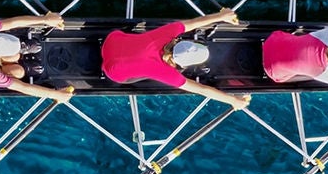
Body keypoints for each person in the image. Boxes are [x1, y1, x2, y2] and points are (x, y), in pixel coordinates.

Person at [100, 8, 250, 109]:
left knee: (140, 44)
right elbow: (202, 89)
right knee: (147, 75)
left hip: (111, 40)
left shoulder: (169, 33)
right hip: (112, 72)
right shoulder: (167, 73)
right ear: (181, 64)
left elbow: (193, 23)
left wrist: (221, 16)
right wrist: (234, 101)